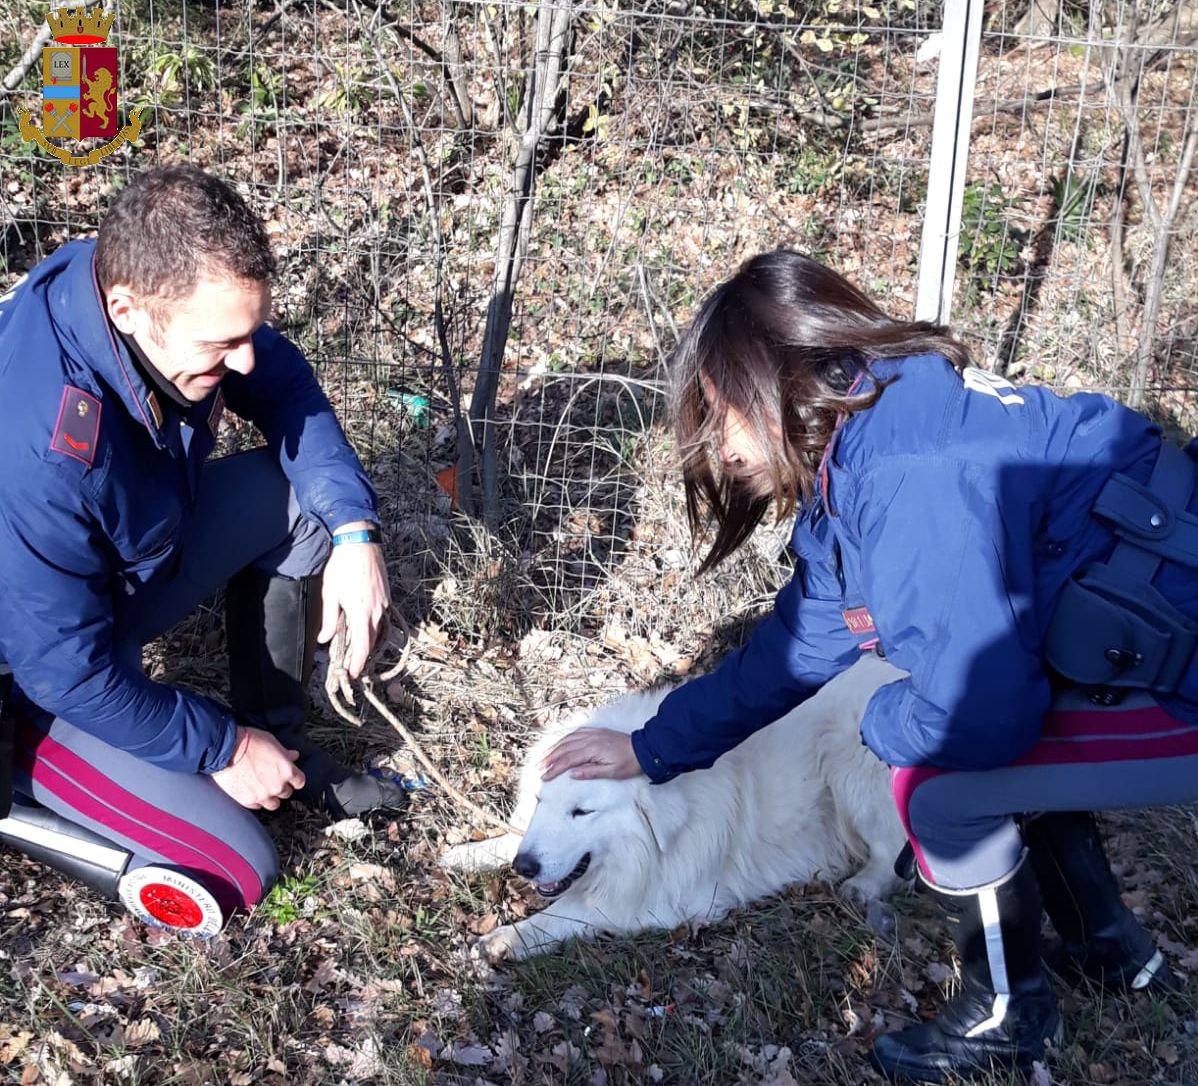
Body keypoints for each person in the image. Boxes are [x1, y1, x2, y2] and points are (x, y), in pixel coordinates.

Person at [540, 250, 1198, 1082]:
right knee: (1000, 753)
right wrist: (652, 748)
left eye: (720, 409)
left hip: (1182, 670)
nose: (718, 446)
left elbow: (982, 716)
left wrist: (883, 721)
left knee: (941, 786)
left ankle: (1005, 1018)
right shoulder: (878, 431)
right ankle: (1111, 951)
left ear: (775, 380)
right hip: (1145, 630)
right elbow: (791, 653)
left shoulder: (906, 476)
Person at [0, 165, 407, 932]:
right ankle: (23, 777)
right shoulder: (43, 449)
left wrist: (356, 534)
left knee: (309, 510)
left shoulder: (148, 288)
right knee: (236, 873)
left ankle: (281, 748)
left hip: (112, 576)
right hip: (32, 667)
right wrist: (220, 746)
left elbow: (286, 386)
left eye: (249, 330)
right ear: (127, 310)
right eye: (223, 344)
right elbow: (66, 670)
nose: (245, 360)